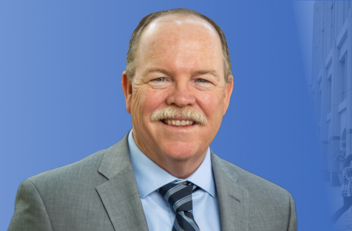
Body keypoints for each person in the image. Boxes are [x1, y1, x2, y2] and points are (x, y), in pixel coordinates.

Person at [8, 8, 296, 231]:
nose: (182, 98)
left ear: (227, 94)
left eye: (202, 80)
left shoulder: (275, 209)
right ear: (129, 90)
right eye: (161, 78)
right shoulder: (50, 202)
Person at [331, 155, 352, 226]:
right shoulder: (347, 169)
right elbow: (351, 179)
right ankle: (332, 219)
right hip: (348, 192)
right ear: (350, 160)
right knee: (346, 206)